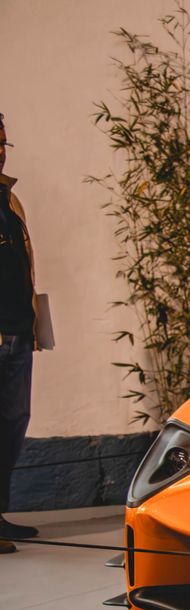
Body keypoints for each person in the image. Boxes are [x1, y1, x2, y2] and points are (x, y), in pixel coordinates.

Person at [0, 113, 40, 553]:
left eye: (3, 144)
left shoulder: (9, 201)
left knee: (12, 424)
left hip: (17, 332)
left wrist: (32, 324)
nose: (0, 152)